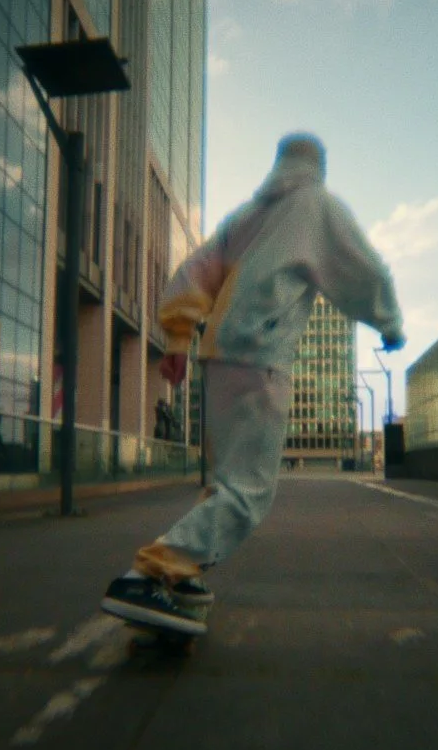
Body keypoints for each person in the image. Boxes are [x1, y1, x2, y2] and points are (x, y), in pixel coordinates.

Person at [100, 132, 404, 635]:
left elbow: (193, 271)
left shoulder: (245, 216)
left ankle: (182, 572)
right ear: (319, 166)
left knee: (226, 481)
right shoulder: (317, 206)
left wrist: (178, 338)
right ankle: (149, 574)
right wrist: (389, 323)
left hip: (217, 354)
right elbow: (363, 270)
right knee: (248, 490)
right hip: (262, 355)